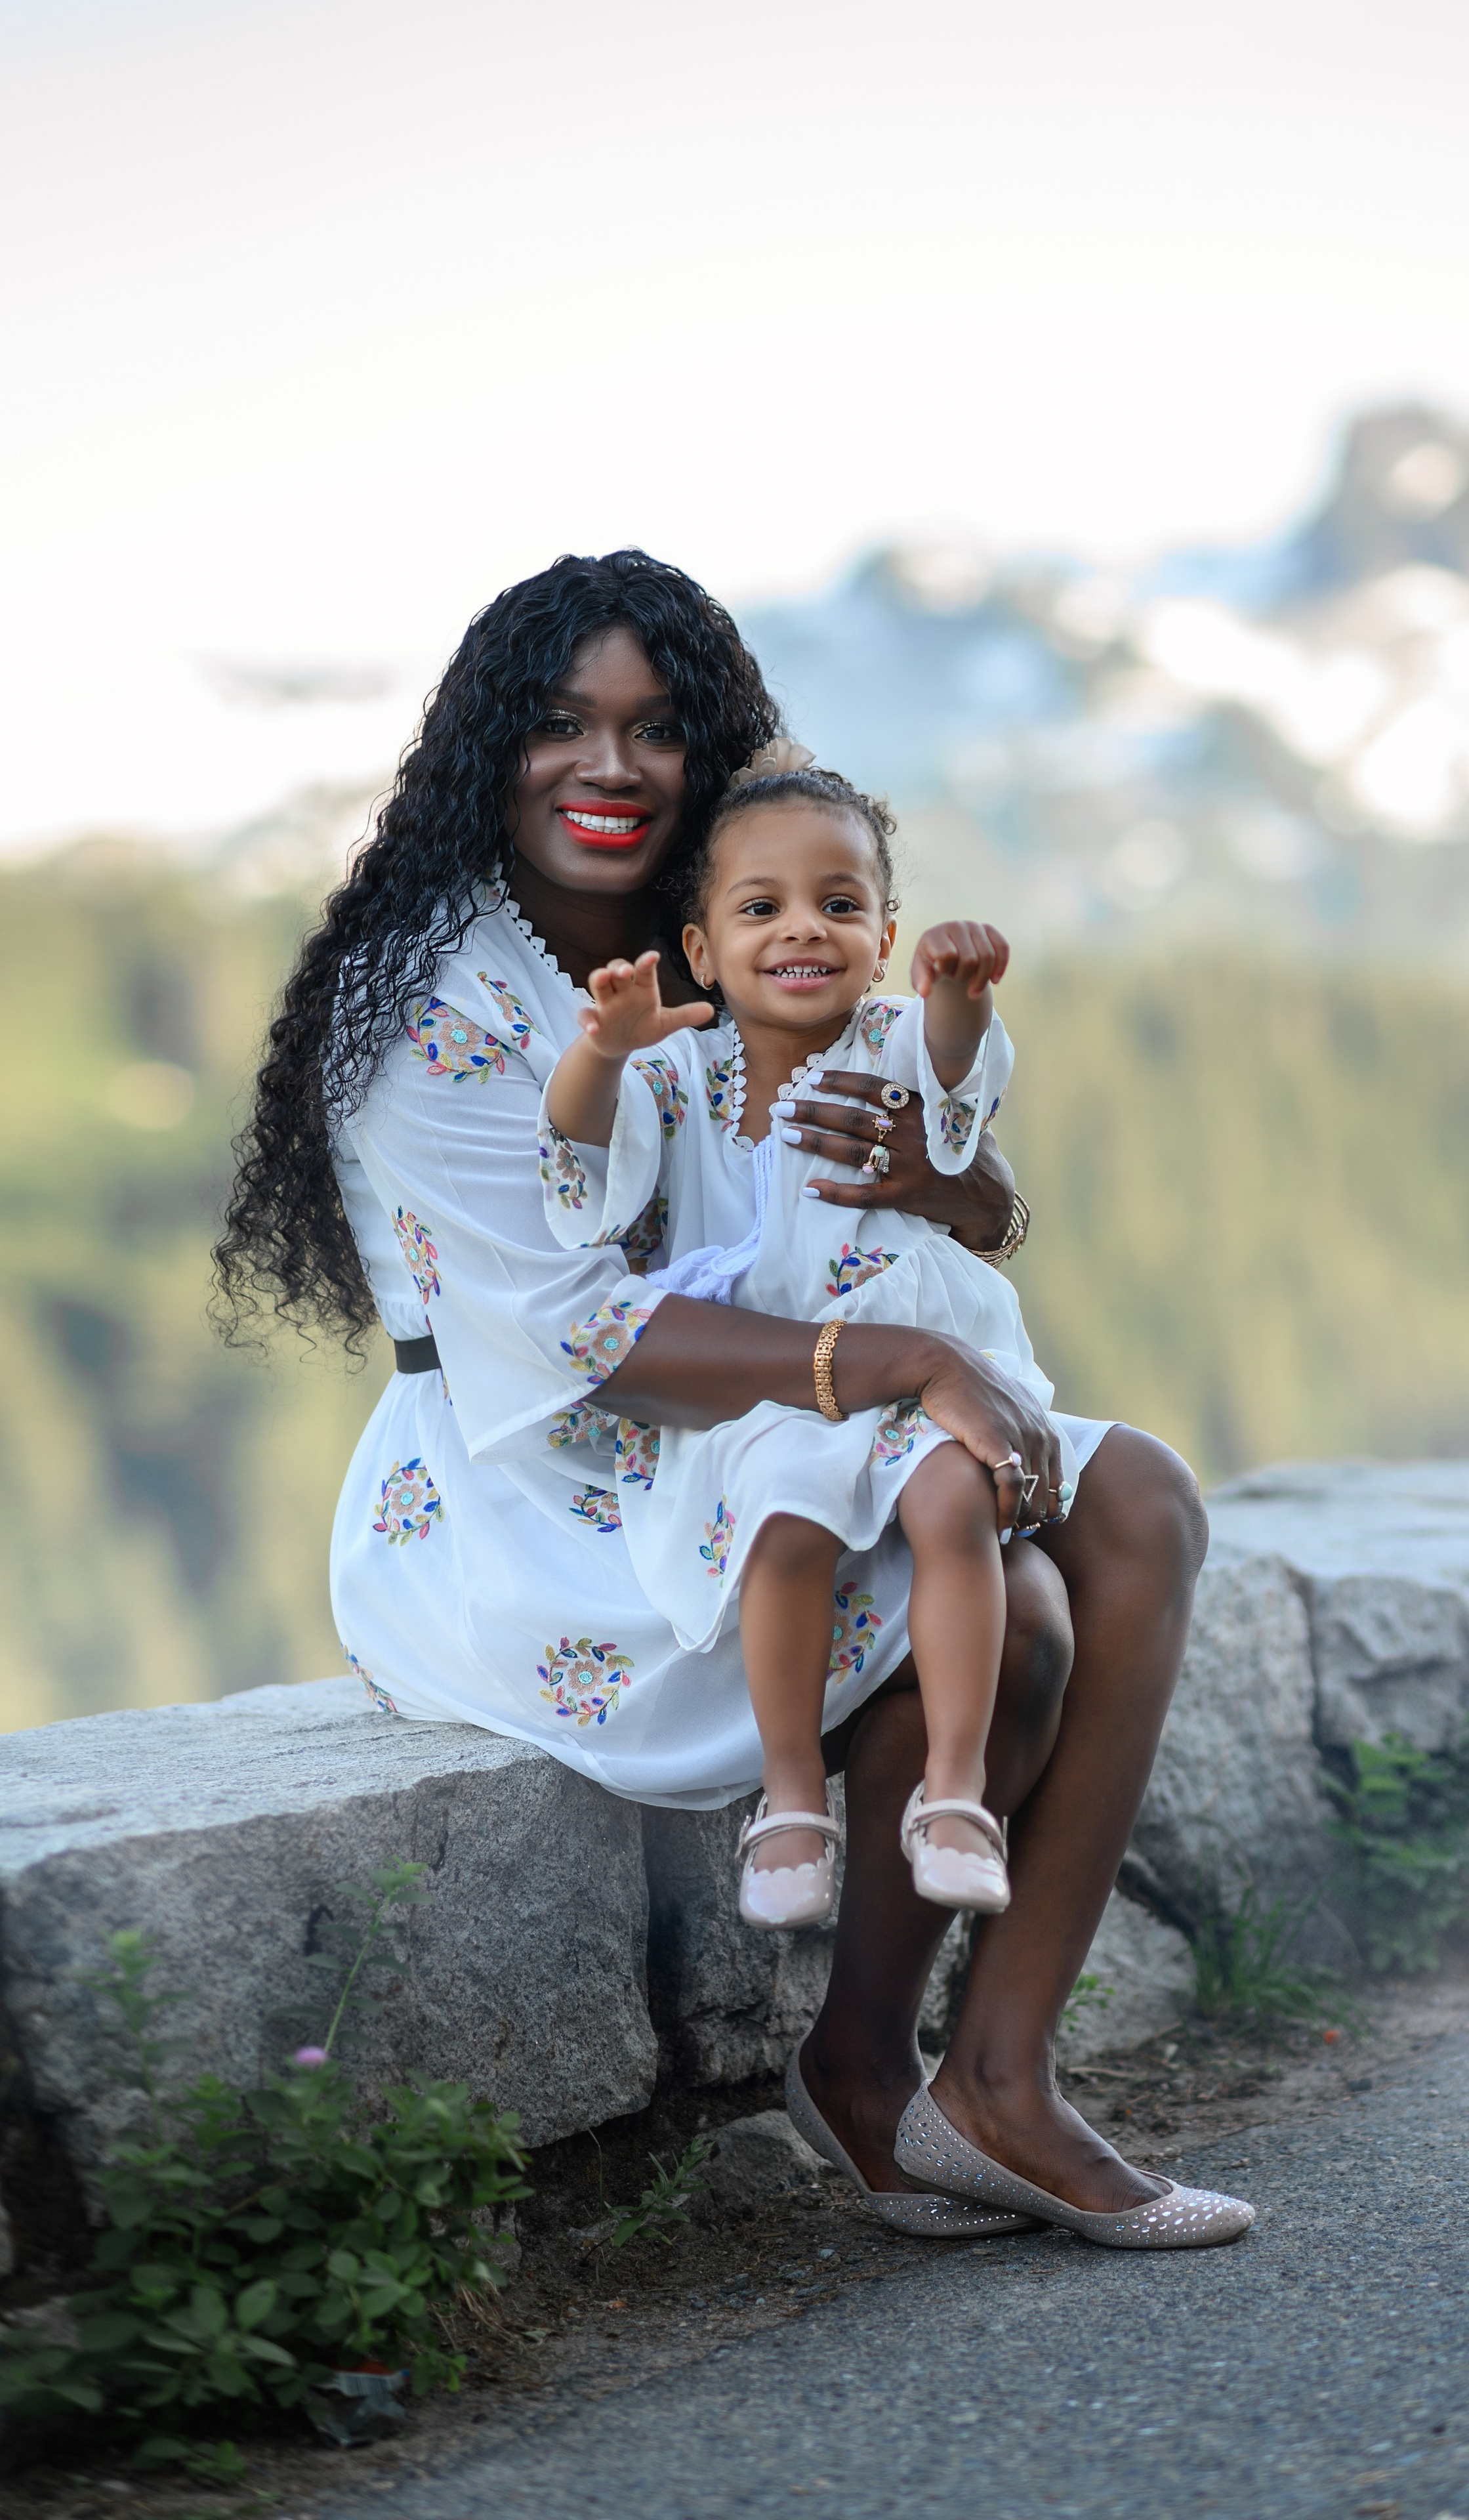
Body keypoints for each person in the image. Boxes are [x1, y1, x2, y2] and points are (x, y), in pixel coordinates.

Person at [217, 549, 1252, 2250]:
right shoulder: (428, 1002)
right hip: (541, 1480)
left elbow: (937, 1202)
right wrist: (911, 1366)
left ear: (713, 753)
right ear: (489, 738)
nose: (609, 767)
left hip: (791, 1390)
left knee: (1140, 1502)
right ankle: (862, 2072)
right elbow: (576, 1335)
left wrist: (950, 1191)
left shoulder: (755, 909)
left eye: (655, 727)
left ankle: (1003, 2080)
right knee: (1022, 1617)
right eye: (561, 724)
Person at [540, 759, 1108, 1933]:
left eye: (840, 906)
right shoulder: (676, 1072)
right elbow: (582, 1172)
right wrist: (601, 1048)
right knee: (785, 1535)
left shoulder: (892, 1041)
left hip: (913, 1367)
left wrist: (957, 992)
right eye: (762, 909)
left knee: (954, 1511)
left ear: (883, 934)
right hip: (779, 1392)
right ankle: (794, 1800)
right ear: (701, 949)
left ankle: (955, 1793)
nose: (805, 929)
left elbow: (959, 1098)